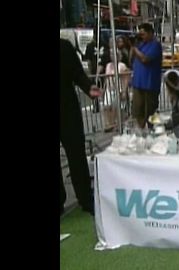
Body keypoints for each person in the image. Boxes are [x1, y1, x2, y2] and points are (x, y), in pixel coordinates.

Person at [60, 38, 102, 216]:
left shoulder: (64, 47)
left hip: (66, 108)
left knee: (76, 154)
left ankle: (85, 198)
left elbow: (77, 73)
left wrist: (88, 87)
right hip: (67, 108)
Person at [130, 23, 163, 130]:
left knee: (150, 112)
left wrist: (135, 50)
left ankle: (153, 131)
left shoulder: (155, 45)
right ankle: (141, 131)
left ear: (150, 33)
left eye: (143, 34)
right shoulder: (140, 45)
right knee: (137, 111)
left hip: (150, 85)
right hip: (138, 84)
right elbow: (130, 60)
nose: (142, 37)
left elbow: (145, 59)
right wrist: (133, 47)